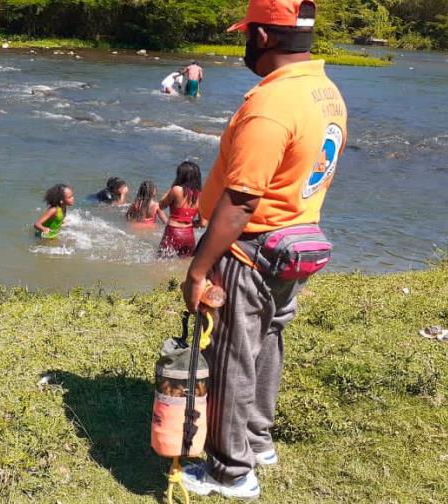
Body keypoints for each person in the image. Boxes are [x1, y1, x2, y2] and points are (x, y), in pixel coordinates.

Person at [179, 0, 347, 499]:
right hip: (296, 242)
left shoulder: (271, 105)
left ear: (265, 38)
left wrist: (199, 269)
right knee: (267, 340)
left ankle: (231, 472)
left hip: (250, 250)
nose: (245, 43)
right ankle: (257, 439)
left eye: (248, 33)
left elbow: (242, 199)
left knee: (232, 355)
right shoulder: (326, 91)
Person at [158, 161, 204, 258]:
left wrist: (173, 186)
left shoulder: (176, 190)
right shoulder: (201, 195)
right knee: (183, 264)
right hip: (189, 235)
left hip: (173, 232)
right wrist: (188, 223)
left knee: (161, 261)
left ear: (181, 176)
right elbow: (203, 223)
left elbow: (161, 205)